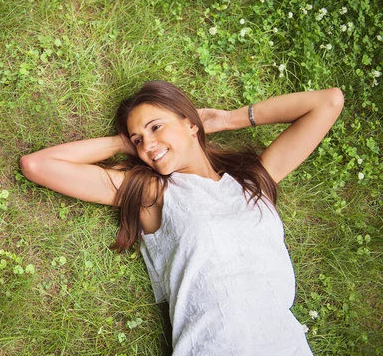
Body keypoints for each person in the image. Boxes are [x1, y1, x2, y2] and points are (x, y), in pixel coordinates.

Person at [20, 81, 344, 355]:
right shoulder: (153, 192)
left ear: (190, 124)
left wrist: (228, 119)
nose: (147, 144)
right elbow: (37, 165)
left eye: (155, 127)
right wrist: (121, 143)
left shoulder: (253, 181)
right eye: (138, 139)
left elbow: (328, 102)